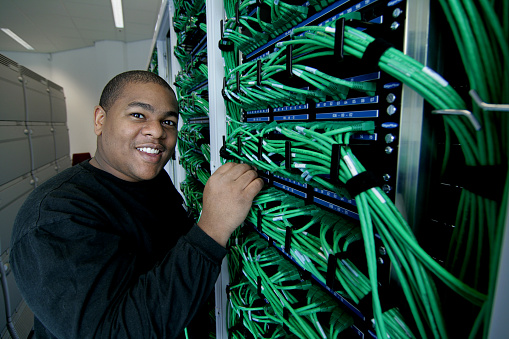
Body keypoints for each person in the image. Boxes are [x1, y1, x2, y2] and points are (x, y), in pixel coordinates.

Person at [10, 70, 264, 338]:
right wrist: (213, 226)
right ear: (100, 119)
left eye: (168, 121)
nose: (157, 131)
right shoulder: (56, 217)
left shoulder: (149, 181)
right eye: (138, 115)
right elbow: (115, 333)